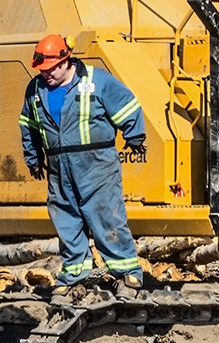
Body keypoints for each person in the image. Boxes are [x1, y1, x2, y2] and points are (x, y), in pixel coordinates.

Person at [19, 34, 146, 296]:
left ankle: (128, 275)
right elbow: (28, 125)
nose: (46, 75)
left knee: (105, 216)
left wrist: (134, 136)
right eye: (42, 70)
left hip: (96, 164)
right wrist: (33, 158)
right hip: (58, 165)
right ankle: (74, 274)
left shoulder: (96, 80)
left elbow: (127, 104)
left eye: (51, 69)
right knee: (66, 219)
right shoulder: (35, 90)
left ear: (66, 60)